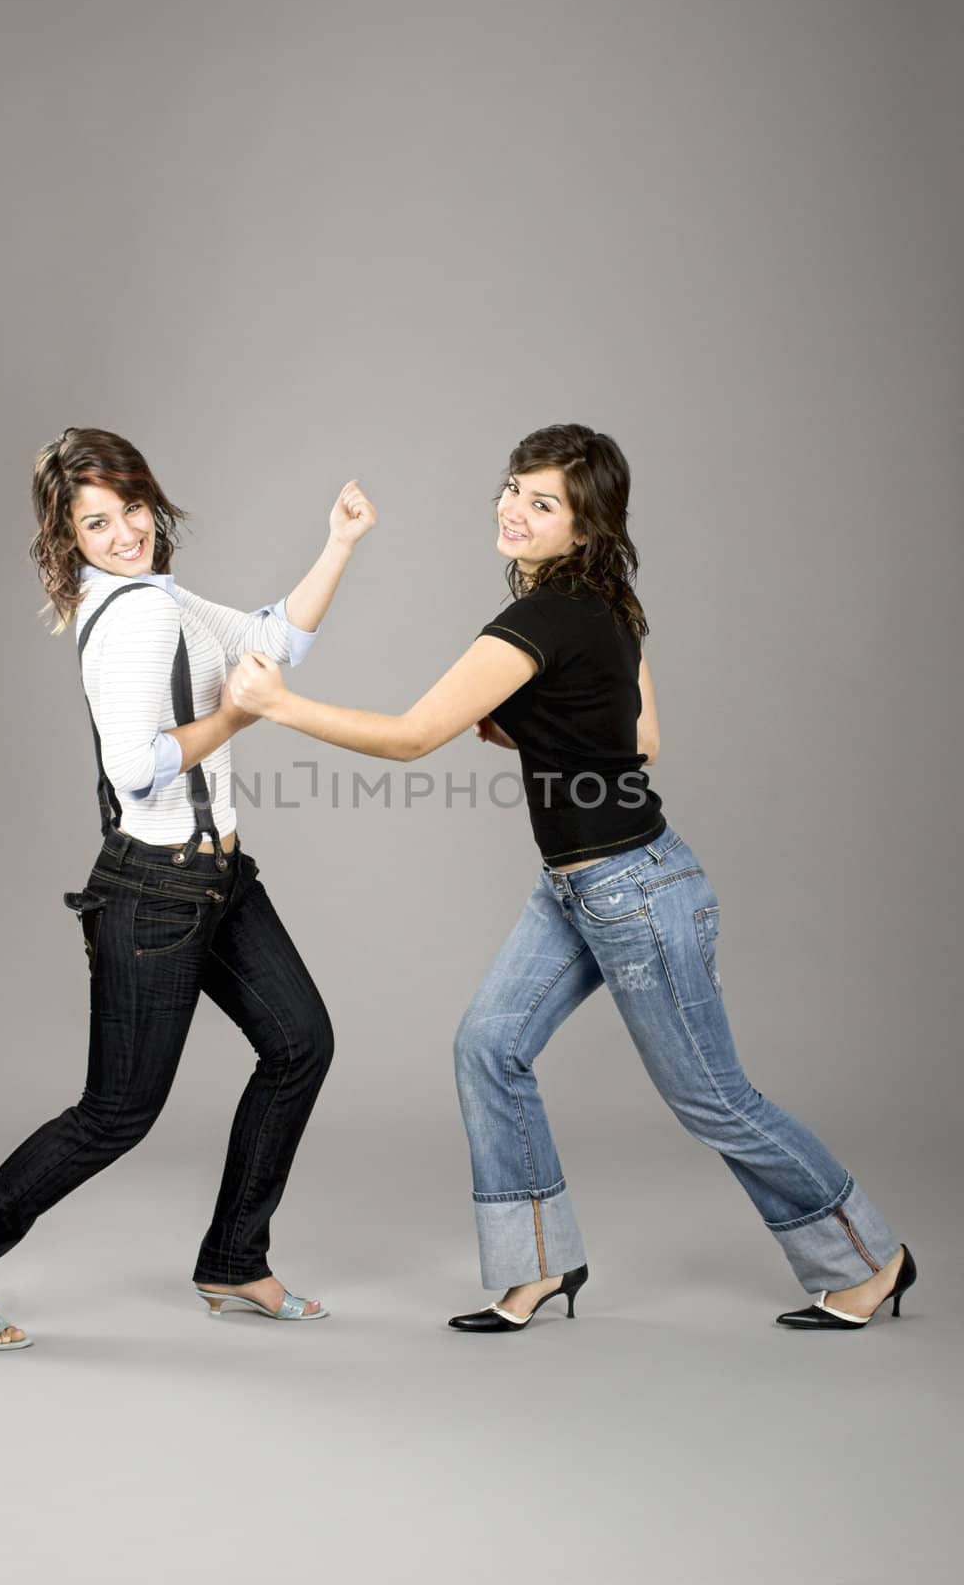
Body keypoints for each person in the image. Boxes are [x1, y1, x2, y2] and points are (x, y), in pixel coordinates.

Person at [227, 421, 915, 1334]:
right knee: (488, 1046)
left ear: (583, 528)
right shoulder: (611, 605)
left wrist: (276, 704)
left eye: (542, 502)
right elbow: (641, 741)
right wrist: (531, 731)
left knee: (713, 1100)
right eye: (514, 487)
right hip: (584, 890)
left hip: (633, 891)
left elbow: (407, 739)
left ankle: (871, 1260)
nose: (514, 509)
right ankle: (538, 1269)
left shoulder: (534, 621)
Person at [0, 427, 375, 1349]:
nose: (125, 533)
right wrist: (238, 711)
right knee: (116, 1114)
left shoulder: (161, 594)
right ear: (67, 539)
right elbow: (138, 771)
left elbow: (277, 640)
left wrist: (340, 544)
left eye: (132, 510)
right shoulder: (132, 618)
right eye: (97, 523)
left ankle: (235, 1259)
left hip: (218, 880)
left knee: (300, 1045)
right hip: (155, 893)